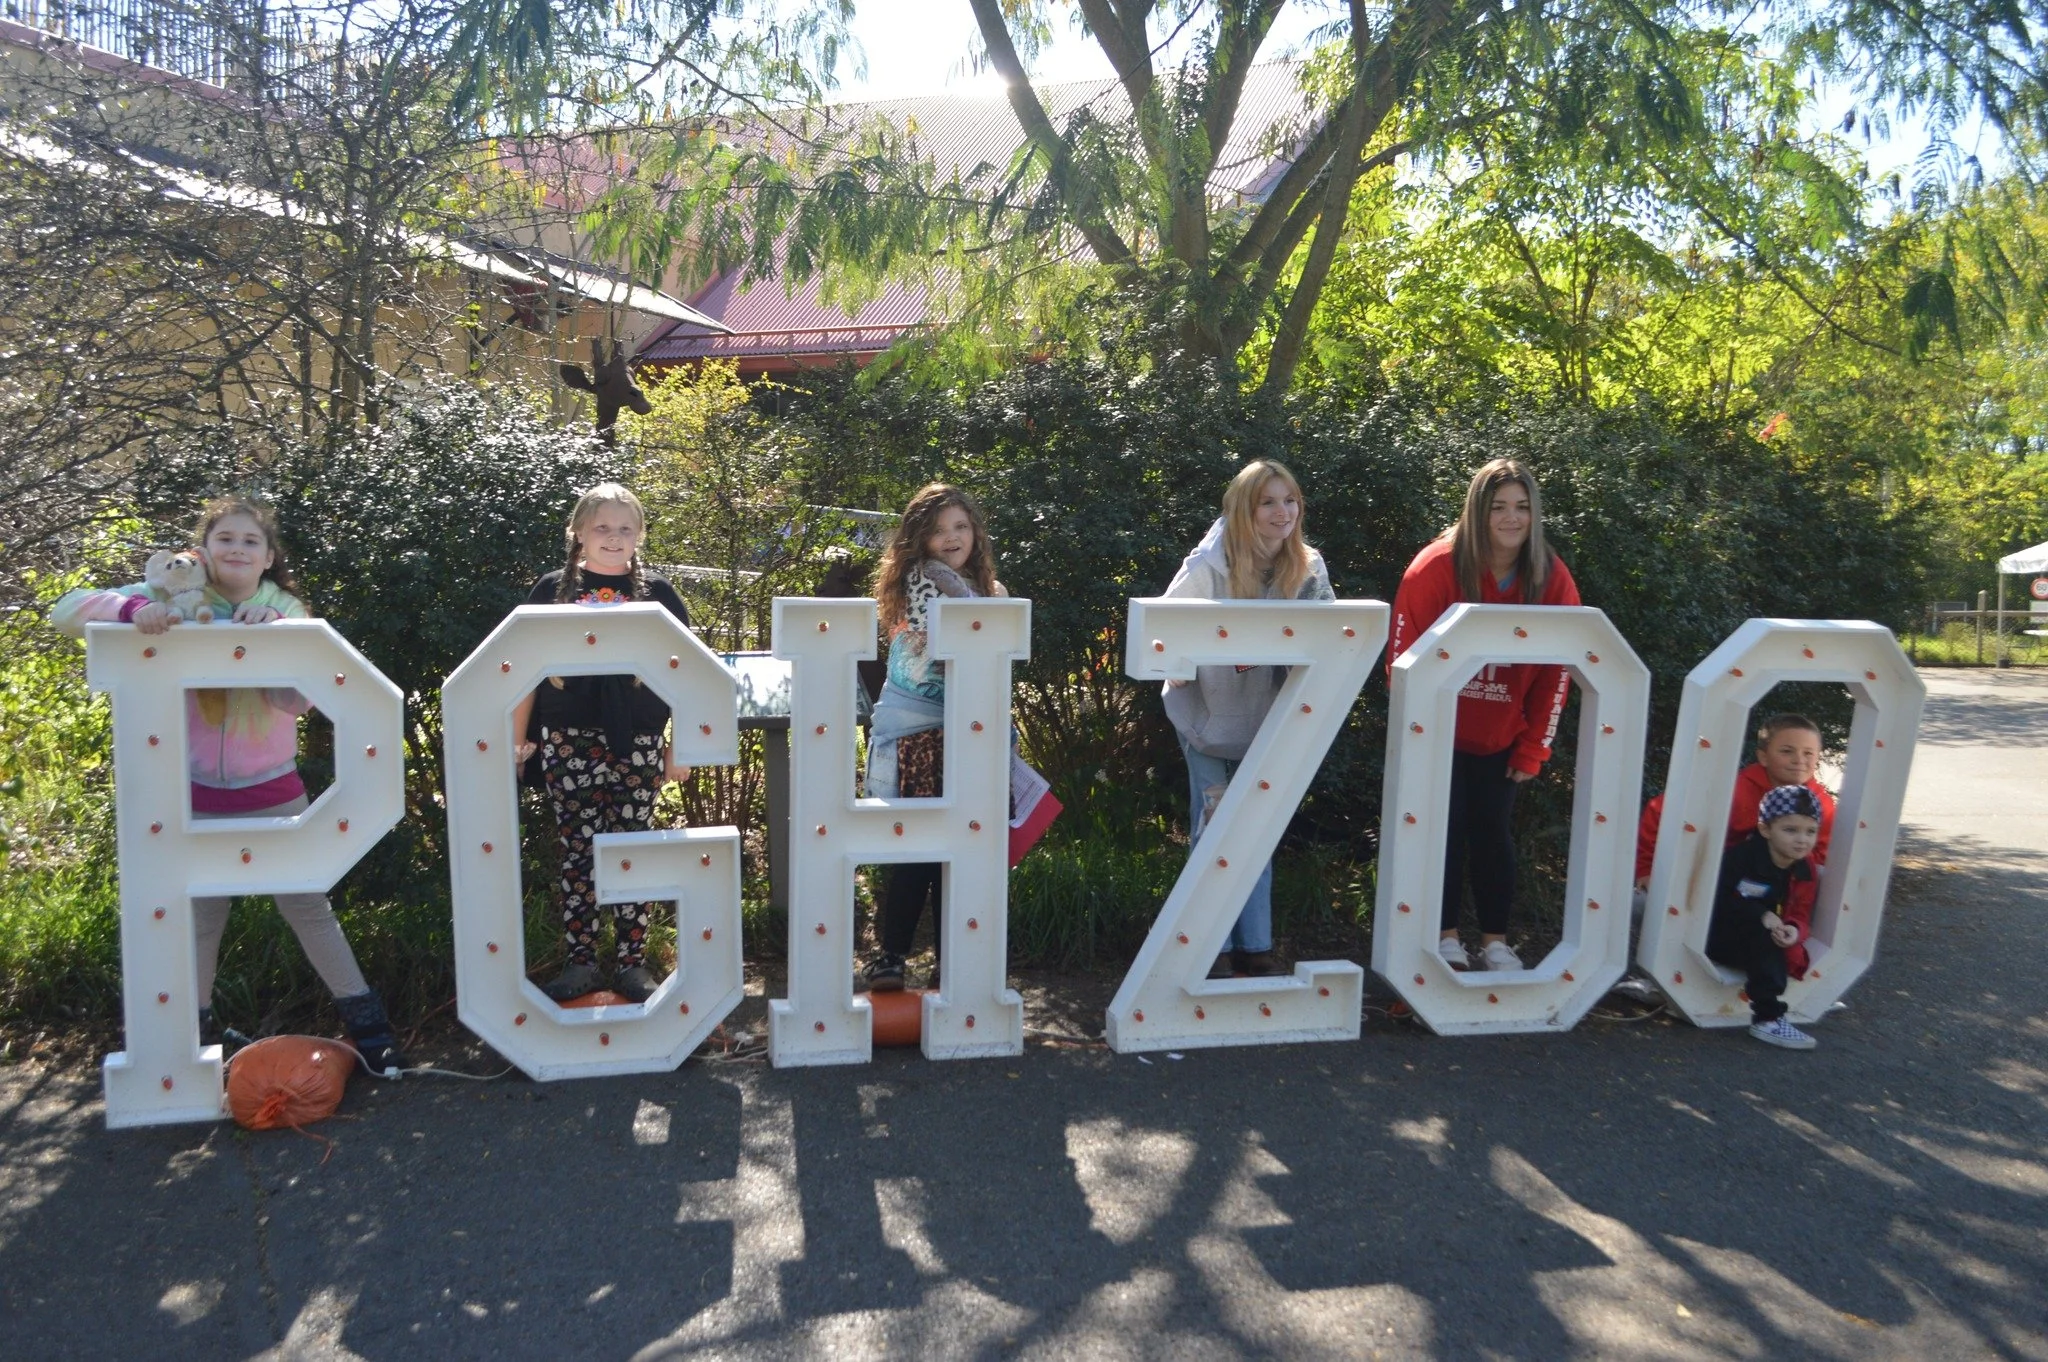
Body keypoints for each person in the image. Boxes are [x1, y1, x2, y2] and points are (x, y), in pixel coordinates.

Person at [51, 498, 409, 1074]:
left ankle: (370, 1030)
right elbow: (65, 610)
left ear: (269, 557)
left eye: (249, 541)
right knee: (201, 918)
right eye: (224, 539)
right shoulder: (172, 597)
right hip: (190, 791)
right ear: (203, 550)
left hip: (273, 790)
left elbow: (298, 703)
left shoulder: (286, 609)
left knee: (308, 908)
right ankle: (191, 1039)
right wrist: (135, 609)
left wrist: (278, 643)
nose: (236, 549)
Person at [1389, 458, 1581, 972]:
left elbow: (1556, 671)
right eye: (1498, 507)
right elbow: (1402, 661)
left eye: (1521, 507)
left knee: (1493, 833)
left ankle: (1496, 941)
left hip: (1500, 737)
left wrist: (1534, 747)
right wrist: (1417, 736)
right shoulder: (1436, 566)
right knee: (1441, 831)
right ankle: (1445, 935)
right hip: (1440, 733)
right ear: (1478, 510)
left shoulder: (1550, 576)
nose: (1511, 518)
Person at [511, 483, 694, 1003]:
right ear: (579, 533)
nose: (614, 538)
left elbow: (688, 672)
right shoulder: (550, 590)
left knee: (632, 845)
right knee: (577, 851)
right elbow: (521, 672)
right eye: (602, 528)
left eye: (625, 528)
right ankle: (582, 962)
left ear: (640, 535)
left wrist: (680, 747)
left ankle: (633, 964)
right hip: (568, 740)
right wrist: (518, 738)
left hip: (636, 739)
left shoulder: (658, 595)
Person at [1161, 460, 1335, 979]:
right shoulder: (1208, 566)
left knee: (1257, 826)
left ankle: (1254, 944)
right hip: (1207, 719)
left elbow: (1330, 642)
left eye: (1290, 501)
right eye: (1268, 502)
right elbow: (1166, 634)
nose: (1282, 512)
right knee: (1212, 827)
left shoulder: (1307, 566)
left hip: (1270, 719)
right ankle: (1203, 944)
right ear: (1245, 509)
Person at [859, 483, 1006, 992]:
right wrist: (992, 610)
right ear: (919, 539)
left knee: (956, 849)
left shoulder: (972, 584)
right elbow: (947, 647)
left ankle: (951, 957)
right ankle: (892, 955)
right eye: (939, 530)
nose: (951, 537)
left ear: (975, 533)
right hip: (923, 730)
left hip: (964, 729)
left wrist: (994, 606)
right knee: (921, 846)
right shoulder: (928, 578)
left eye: (961, 527)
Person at [1633, 714, 1836, 969]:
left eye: (1809, 753)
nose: (1799, 760)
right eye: (1787, 751)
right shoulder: (1733, 790)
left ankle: (1783, 979)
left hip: (1779, 894)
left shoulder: (1820, 804)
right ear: (1763, 756)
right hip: (1719, 884)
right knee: (1647, 905)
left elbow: (1821, 858)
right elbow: (1660, 811)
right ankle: (1665, 975)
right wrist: (1647, 869)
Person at [1707, 785, 1823, 1049]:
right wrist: (1761, 914)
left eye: (1810, 831)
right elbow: (1718, 901)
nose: (1802, 840)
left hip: (1764, 939)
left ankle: (1774, 1004)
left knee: (1772, 940)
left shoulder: (1804, 869)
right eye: (1790, 830)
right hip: (1720, 936)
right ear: (1765, 829)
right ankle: (1768, 1018)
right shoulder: (1742, 859)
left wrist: (1794, 929)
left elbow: (1801, 912)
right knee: (1764, 937)